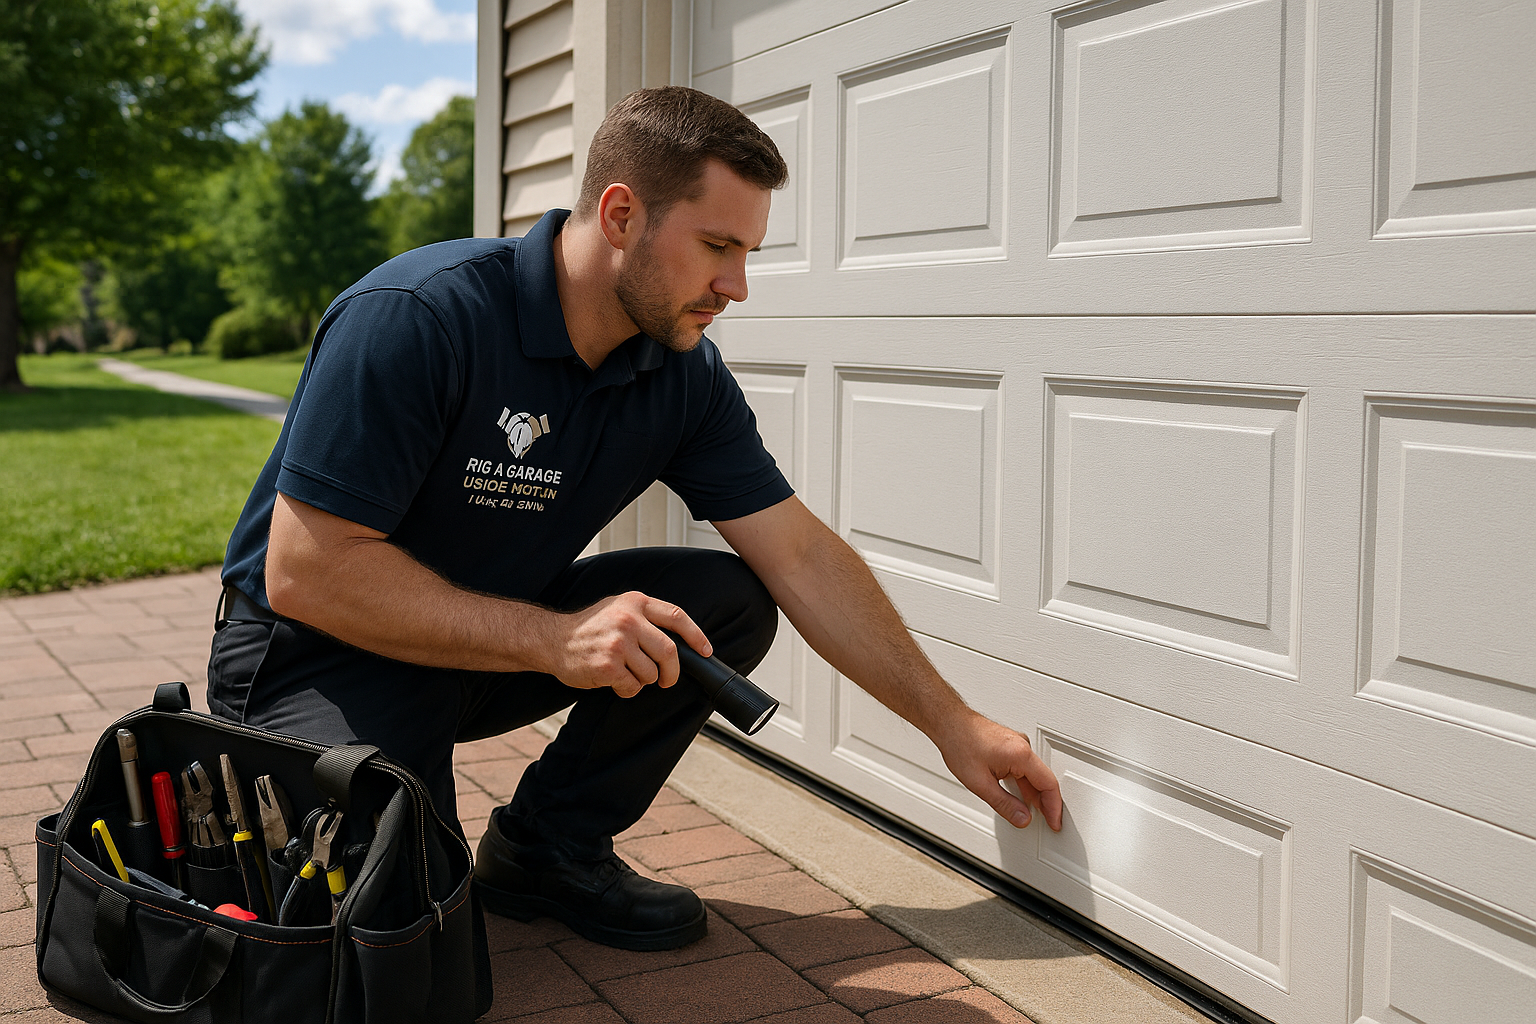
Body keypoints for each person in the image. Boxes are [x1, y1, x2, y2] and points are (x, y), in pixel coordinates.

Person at [208, 86, 1063, 955]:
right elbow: (306, 571)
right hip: (317, 652)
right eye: (718, 247)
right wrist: (552, 642)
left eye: (748, 252)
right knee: (401, 947)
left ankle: (548, 848)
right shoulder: (420, 316)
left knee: (725, 600)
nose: (737, 286)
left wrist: (954, 725)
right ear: (621, 214)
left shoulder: (679, 373)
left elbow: (799, 555)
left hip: (485, 643)